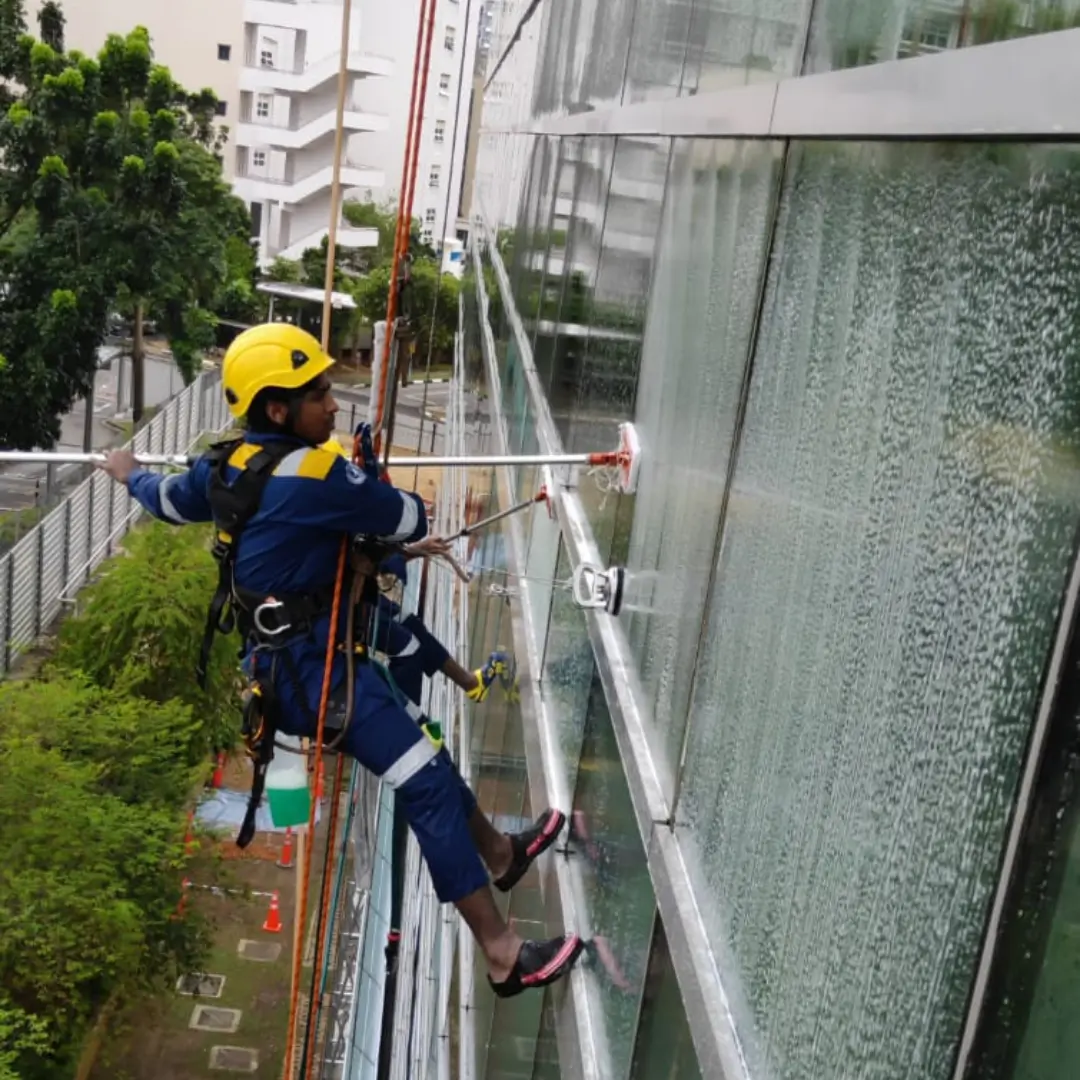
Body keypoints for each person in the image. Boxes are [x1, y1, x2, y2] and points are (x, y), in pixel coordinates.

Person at [97, 323, 582, 997]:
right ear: (278, 409)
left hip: (289, 670)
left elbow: (166, 501)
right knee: (428, 784)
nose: (333, 402)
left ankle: (501, 855)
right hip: (321, 677)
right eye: (319, 392)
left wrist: (130, 475)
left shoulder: (224, 466)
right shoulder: (318, 473)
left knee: (429, 767)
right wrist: (367, 488)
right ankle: (503, 954)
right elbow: (411, 515)